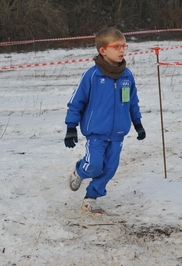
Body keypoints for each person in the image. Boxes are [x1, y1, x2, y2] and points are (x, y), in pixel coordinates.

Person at [63, 27, 146, 214]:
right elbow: (76, 102)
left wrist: (138, 124)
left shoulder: (127, 76)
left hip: (118, 134)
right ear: (103, 50)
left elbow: (132, 102)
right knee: (94, 165)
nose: (122, 50)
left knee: (109, 169)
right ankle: (79, 172)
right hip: (96, 133)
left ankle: (91, 199)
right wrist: (71, 127)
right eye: (117, 46)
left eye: (124, 46)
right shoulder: (92, 76)